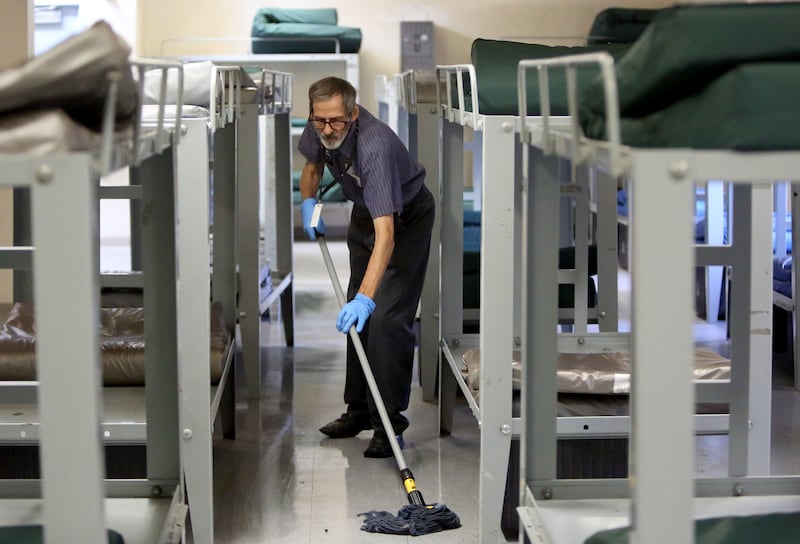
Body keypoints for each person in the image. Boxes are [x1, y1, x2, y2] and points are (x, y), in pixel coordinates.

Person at [297, 76, 435, 458]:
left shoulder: (375, 147)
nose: (327, 129)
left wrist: (367, 298)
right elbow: (312, 167)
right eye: (320, 120)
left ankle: (388, 424)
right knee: (355, 317)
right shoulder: (320, 128)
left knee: (387, 319)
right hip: (367, 212)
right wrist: (309, 204)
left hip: (404, 220)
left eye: (336, 122)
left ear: (353, 114)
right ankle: (357, 411)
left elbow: (387, 235)